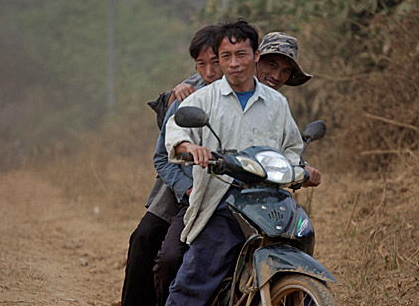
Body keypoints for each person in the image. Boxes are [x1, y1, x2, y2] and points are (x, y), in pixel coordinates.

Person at [163, 19, 321, 306]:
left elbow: (291, 148)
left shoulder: (276, 103)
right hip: (223, 199)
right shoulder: (205, 99)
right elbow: (176, 130)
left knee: (302, 249)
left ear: (255, 56)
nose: (234, 63)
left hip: (272, 199)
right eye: (226, 56)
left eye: (241, 55)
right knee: (195, 281)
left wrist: (303, 169)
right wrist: (190, 147)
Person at [120, 25, 223, 306]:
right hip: (183, 187)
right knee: (146, 240)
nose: (211, 71)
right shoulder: (187, 96)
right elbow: (162, 158)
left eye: (216, 62)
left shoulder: (252, 92)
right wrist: (188, 190)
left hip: (226, 191)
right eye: (202, 64)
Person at [169, 31, 312, 103]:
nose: (276, 76)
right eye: (272, 65)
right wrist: (179, 90)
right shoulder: (207, 91)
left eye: (285, 71)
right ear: (256, 58)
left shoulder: (277, 104)